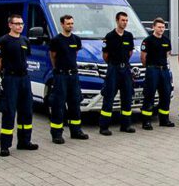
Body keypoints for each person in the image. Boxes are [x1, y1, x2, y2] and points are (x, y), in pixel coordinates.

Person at [0, 15, 37, 156]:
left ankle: (24, 142)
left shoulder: (24, 40)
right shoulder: (4, 41)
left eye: (21, 24)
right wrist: (4, 76)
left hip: (24, 78)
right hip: (11, 78)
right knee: (9, 111)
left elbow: (26, 58)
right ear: (10, 25)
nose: (20, 26)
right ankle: (5, 146)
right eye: (17, 23)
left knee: (26, 111)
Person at [48, 14, 89, 145]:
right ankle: (56, 134)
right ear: (62, 24)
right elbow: (53, 56)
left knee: (75, 103)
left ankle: (76, 131)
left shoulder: (76, 39)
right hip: (61, 76)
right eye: (68, 24)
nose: (70, 26)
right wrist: (59, 70)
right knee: (58, 105)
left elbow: (75, 54)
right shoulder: (56, 40)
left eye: (72, 23)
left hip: (73, 76)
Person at [99, 11, 136, 136]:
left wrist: (123, 64)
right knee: (109, 97)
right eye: (122, 20)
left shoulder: (129, 36)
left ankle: (126, 125)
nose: (125, 23)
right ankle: (104, 127)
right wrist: (113, 65)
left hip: (125, 69)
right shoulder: (109, 36)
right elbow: (105, 55)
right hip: (113, 69)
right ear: (117, 20)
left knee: (127, 97)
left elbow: (130, 53)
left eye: (126, 20)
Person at [140, 17, 176, 130]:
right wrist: (150, 68)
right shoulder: (148, 40)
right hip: (152, 70)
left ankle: (164, 119)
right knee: (149, 95)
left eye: (163, 27)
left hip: (164, 70)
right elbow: (143, 57)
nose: (161, 29)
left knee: (166, 94)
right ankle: (146, 121)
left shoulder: (166, 40)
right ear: (153, 27)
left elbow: (167, 55)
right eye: (159, 27)